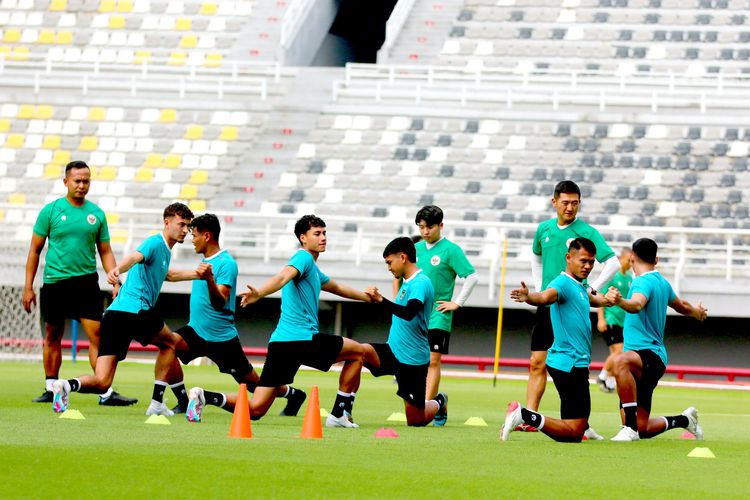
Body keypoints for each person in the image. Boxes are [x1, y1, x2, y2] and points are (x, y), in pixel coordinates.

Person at [186, 215, 372, 427]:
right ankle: (340, 414)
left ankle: (205, 397)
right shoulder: (302, 258)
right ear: (303, 238)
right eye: (317, 234)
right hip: (302, 339)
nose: (323, 238)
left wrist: (367, 298)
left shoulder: (312, 268)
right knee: (359, 351)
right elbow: (283, 277)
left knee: (256, 409)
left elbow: (337, 288)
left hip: (281, 344)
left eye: (324, 233)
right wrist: (260, 293)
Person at [51, 203, 197, 416]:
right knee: (170, 343)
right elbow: (135, 257)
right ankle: (157, 403)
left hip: (114, 315)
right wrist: (117, 269)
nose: (185, 230)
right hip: (136, 310)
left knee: (102, 382)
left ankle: (65, 385)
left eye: (188, 226)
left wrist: (199, 274)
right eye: (181, 224)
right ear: (167, 223)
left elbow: (170, 276)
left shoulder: (164, 251)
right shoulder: (155, 242)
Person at [156, 214, 306, 420]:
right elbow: (171, 275)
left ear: (207, 236)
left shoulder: (226, 263)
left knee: (254, 385)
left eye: (195, 235)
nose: (192, 239)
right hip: (196, 331)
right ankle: (182, 400)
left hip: (221, 338)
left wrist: (208, 279)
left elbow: (220, 302)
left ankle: (293, 394)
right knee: (168, 345)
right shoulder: (204, 260)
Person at [23, 160, 136, 407]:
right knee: (53, 335)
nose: (82, 185)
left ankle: (105, 391)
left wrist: (115, 277)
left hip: (86, 284)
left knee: (98, 335)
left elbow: (105, 251)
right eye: (77, 180)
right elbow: (35, 250)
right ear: (66, 182)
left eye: (86, 181)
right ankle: (50, 387)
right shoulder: (50, 211)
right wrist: (28, 287)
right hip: (55, 283)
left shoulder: (96, 214)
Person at [522, 180, 619, 431]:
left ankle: (579, 422)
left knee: (574, 364)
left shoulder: (586, 232)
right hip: (549, 302)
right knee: (537, 362)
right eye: (565, 202)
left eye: (575, 203)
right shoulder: (543, 229)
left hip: (570, 306)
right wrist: (538, 286)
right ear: (554, 202)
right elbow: (536, 257)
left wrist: (591, 289)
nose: (570, 207)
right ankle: (530, 417)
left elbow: (612, 263)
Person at [502, 238, 613, 442]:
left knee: (576, 427)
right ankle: (524, 415)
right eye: (583, 261)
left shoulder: (580, 285)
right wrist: (529, 297)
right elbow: (545, 297)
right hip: (569, 362)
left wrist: (610, 299)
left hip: (573, 362)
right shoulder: (561, 283)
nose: (588, 266)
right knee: (573, 432)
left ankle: (529, 416)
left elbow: (594, 299)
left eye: (591, 262)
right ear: (568, 258)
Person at [606, 238, 707, 442]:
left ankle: (629, 429)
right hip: (654, 359)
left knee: (619, 361)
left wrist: (619, 301)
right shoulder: (662, 282)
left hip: (645, 355)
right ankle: (684, 420)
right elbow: (682, 306)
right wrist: (697, 313)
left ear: (632, 258)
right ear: (657, 259)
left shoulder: (642, 281)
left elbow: (636, 304)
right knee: (643, 428)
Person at [362, 237, 448, 427]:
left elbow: (409, 313)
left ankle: (439, 401)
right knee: (358, 352)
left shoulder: (420, 283)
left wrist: (380, 300)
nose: (389, 268)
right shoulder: (406, 284)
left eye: (389, 262)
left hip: (413, 360)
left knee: (416, 421)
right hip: (393, 351)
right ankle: (343, 411)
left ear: (402, 257)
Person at [409, 205, 477, 426]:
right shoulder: (414, 249)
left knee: (432, 361)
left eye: (429, 227)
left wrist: (457, 303)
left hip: (438, 314)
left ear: (440, 226)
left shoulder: (451, 250)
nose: (425, 231)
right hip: (415, 315)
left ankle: (425, 406)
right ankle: (439, 402)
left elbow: (472, 277)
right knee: (414, 361)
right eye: (421, 227)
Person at [595, 247, 633, 393]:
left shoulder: (629, 278)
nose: (630, 262)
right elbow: (602, 297)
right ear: (621, 258)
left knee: (616, 353)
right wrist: (601, 319)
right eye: (628, 259)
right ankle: (603, 375)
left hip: (623, 320)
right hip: (611, 319)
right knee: (620, 350)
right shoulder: (613, 276)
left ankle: (609, 382)